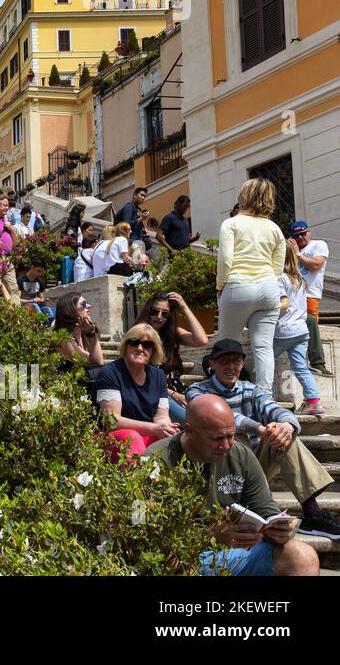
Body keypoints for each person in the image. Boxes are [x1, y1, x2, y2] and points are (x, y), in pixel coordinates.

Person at [145, 394, 319, 576]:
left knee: (302, 556)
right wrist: (211, 537)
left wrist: (278, 529)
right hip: (180, 557)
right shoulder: (154, 461)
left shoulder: (240, 455)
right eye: (217, 438)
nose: (226, 445)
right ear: (188, 431)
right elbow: (139, 527)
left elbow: (265, 509)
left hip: (237, 554)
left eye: (231, 436)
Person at [186, 339, 339, 540]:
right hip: (217, 471)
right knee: (231, 435)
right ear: (212, 364)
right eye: (224, 361)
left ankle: (312, 512)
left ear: (242, 364)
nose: (231, 367)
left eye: (236, 361)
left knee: (285, 437)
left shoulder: (250, 389)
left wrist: (286, 426)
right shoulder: (197, 391)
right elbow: (229, 420)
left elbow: (274, 409)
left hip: (255, 468)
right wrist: (259, 428)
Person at [218, 178, 286, 394]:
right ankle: (264, 395)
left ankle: (225, 391)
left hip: (238, 285)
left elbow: (226, 260)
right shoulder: (275, 229)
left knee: (227, 344)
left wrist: (220, 285)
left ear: (243, 197)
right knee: (264, 347)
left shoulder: (231, 224)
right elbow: (278, 266)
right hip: (268, 288)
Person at [94, 323, 178, 459]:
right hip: (113, 436)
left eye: (147, 345)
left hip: (147, 433)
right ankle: (137, 479)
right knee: (132, 437)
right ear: (126, 346)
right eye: (134, 342)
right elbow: (111, 421)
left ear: (153, 351)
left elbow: (161, 415)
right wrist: (154, 429)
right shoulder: (110, 373)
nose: (140, 348)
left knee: (173, 440)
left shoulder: (159, 376)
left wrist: (166, 428)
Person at [139, 291, 208, 426]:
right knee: (196, 423)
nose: (159, 317)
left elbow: (202, 340)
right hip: (155, 393)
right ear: (148, 311)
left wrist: (184, 307)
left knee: (207, 410)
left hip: (177, 390)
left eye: (165, 314)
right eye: (155, 311)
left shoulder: (172, 334)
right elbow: (140, 377)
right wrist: (173, 394)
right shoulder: (140, 336)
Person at [277, 243, 326, 417]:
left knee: (262, 361)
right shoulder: (299, 279)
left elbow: (283, 305)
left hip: (284, 330)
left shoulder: (280, 278)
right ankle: (314, 401)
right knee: (301, 367)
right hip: (301, 330)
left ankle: (260, 396)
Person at [291, 221, 334, 377]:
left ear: (309, 232)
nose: (300, 238)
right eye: (296, 236)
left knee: (310, 325)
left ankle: (316, 363)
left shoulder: (318, 245)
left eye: (303, 233)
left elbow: (316, 265)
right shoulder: (292, 249)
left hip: (310, 295)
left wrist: (298, 254)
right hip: (293, 294)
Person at [53, 293, 103, 375]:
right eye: (83, 304)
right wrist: (91, 334)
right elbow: (97, 363)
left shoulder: (83, 335)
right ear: (70, 310)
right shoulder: (64, 341)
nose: (89, 306)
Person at [115, 185, 151, 250]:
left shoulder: (136, 208)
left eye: (144, 196)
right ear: (135, 195)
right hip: (133, 241)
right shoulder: (129, 207)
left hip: (137, 241)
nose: (143, 198)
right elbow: (125, 225)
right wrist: (141, 219)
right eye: (141, 195)